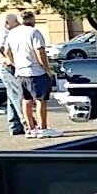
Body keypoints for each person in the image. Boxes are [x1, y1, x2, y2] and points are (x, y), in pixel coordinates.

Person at [5, 10, 59, 138]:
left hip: (20, 72)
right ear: (32, 19)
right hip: (35, 71)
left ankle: (30, 129)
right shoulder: (34, 32)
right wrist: (46, 69)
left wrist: (15, 64)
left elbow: (7, 51)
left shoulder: (12, 33)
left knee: (26, 100)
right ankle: (43, 128)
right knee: (41, 100)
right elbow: (40, 51)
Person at [0, 12, 26, 135]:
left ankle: (15, 125)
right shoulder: (4, 33)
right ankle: (27, 123)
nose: (18, 24)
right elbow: (3, 49)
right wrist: (13, 63)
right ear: (7, 23)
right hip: (8, 67)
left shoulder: (3, 33)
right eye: (15, 22)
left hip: (6, 67)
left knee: (12, 97)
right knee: (18, 96)